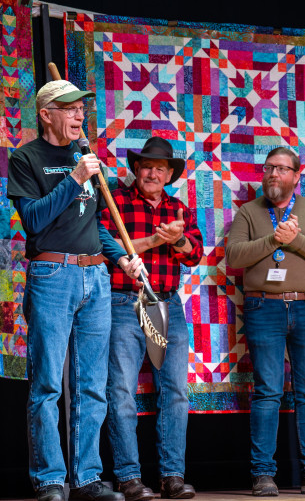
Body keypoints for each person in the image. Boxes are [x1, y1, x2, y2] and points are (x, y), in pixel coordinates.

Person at [7, 79, 144, 501]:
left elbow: (94, 224)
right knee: (48, 382)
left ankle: (86, 478)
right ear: (46, 114)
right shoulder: (26, 158)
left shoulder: (85, 157)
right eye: (68, 108)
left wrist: (121, 256)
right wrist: (73, 178)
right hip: (52, 275)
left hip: (96, 276)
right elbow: (34, 219)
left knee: (91, 383)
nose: (78, 115)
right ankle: (50, 479)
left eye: (81, 108)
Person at [225, 147, 305, 497]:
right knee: (267, 392)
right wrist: (273, 240)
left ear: (296, 175)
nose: (272, 174)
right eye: (268, 168)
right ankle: (263, 474)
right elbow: (234, 256)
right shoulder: (249, 211)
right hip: (264, 308)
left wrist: (297, 240)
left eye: (281, 169)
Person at [101, 137, 203, 501]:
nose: (153, 173)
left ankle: (172, 476)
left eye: (161, 168)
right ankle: (129, 477)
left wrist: (176, 241)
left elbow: (194, 255)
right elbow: (104, 246)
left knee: (175, 392)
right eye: (147, 166)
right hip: (124, 302)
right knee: (121, 391)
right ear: (137, 169)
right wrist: (152, 242)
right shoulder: (116, 202)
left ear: (170, 174)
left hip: (166, 305)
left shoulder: (179, 208)